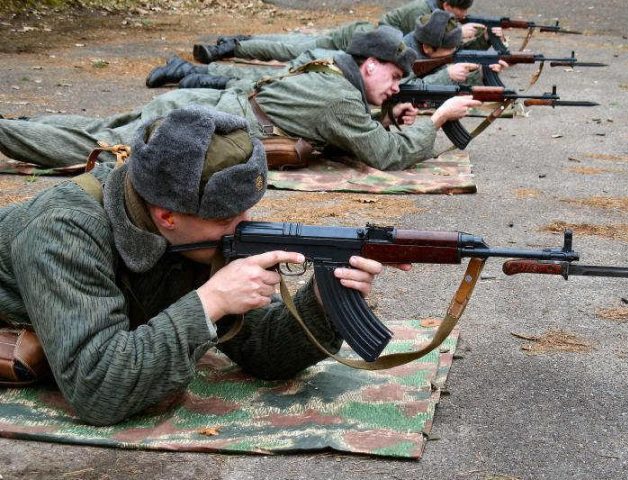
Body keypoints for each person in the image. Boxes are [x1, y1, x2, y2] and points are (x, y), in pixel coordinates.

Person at [0, 105, 399, 426]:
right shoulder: (64, 232)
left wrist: (322, 302)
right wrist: (209, 303)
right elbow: (99, 389)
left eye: (247, 210)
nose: (245, 227)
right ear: (166, 216)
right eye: (227, 218)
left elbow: (264, 350)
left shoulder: (193, 233)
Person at [0, 26, 483, 171]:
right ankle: (10, 133)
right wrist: (435, 120)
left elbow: (337, 117)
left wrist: (384, 110)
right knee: (93, 150)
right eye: (394, 76)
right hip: (201, 122)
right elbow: (386, 155)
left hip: (206, 109)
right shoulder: (339, 98)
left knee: (95, 128)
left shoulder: (329, 67)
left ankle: (22, 122)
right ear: (370, 65)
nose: (398, 85)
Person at [146, 11, 504, 90]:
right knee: (279, 65)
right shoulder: (402, 54)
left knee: (272, 72)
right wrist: (445, 75)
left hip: (349, 53)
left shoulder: (418, 46)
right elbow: (411, 83)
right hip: (343, 50)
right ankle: (202, 63)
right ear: (428, 46)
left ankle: (198, 70)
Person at [192, 0, 505, 64]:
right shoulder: (421, 13)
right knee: (294, 50)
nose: (461, 17)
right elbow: (433, 47)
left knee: (297, 43)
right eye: (458, 13)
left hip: (367, 38)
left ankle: (240, 42)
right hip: (363, 40)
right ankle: (232, 46)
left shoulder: (436, 17)